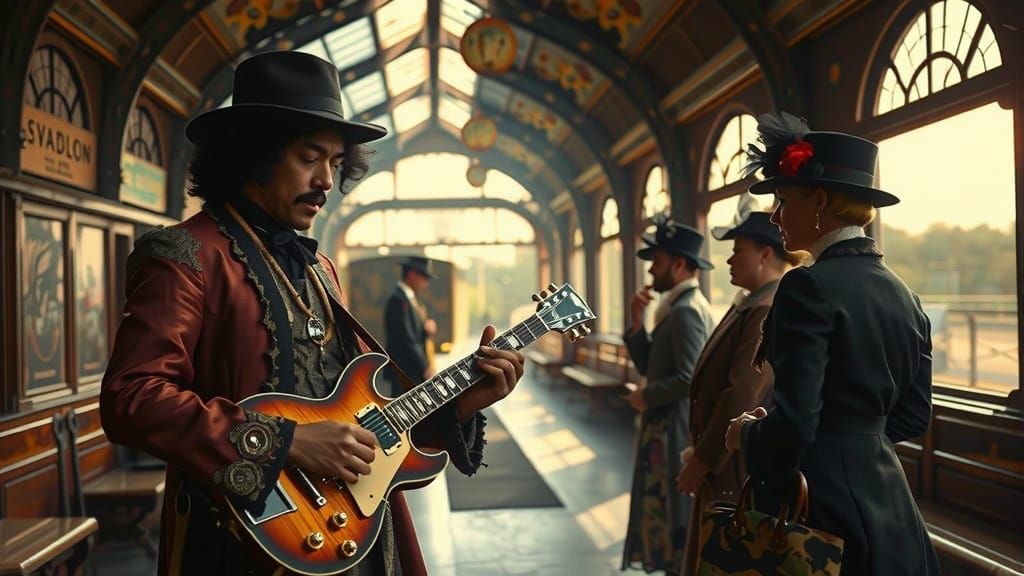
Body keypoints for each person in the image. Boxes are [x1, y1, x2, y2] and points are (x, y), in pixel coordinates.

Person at [100, 51, 525, 576]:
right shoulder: (184, 253)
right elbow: (132, 399)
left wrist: (463, 403)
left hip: (361, 534)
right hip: (244, 544)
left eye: (336, 162)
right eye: (309, 157)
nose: (327, 179)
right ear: (252, 153)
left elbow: (367, 414)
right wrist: (289, 442)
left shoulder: (321, 266)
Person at [724, 112, 940, 574]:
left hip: (820, 509)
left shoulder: (807, 286)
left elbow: (797, 421)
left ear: (818, 200)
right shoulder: (906, 294)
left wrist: (744, 432)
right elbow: (914, 415)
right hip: (889, 502)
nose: (775, 217)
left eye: (783, 201)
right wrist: (856, 443)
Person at [674, 204, 804, 575]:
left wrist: (703, 458)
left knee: (727, 556)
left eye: (738, 251)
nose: (729, 260)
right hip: (728, 458)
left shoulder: (764, 308)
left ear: (765, 254)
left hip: (737, 462)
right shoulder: (751, 304)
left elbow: (741, 393)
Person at [621, 216, 715, 574]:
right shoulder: (678, 308)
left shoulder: (686, 313)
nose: (651, 271)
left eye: (656, 263)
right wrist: (635, 323)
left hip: (671, 429)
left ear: (679, 265)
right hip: (664, 426)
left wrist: (646, 397)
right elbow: (651, 365)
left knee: (669, 509)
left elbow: (689, 378)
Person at [384, 256, 438, 396]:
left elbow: (411, 335)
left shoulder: (408, 299)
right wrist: (424, 367)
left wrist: (426, 331)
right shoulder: (399, 300)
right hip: (405, 371)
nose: (426, 283)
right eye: (424, 277)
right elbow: (406, 339)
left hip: (409, 370)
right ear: (412, 275)